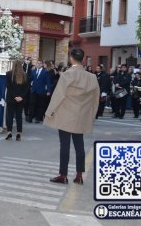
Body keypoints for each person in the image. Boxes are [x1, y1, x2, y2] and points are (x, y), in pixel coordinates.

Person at [45, 48, 99, 185]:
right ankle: (79, 175)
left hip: (66, 115)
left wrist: (49, 112)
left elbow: (58, 96)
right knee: (79, 145)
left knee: (65, 145)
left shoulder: (66, 75)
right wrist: (91, 115)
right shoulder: (92, 77)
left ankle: (63, 175)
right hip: (81, 116)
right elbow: (95, 99)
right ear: (83, 59)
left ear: (71, 59)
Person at [5, 60, 29, 141]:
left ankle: (9, 132)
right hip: (21, 99)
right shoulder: (25, 75)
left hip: (11, 98)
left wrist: (15, 96)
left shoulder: (8, 74)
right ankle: (19, 133)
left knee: (10, 116)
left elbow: (9, 87)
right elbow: (27, 88)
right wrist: (21, 97)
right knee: (19, 116)